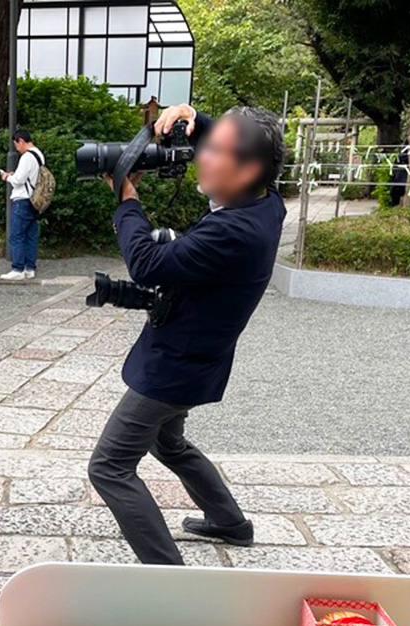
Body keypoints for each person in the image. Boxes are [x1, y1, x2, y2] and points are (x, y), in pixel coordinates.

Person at [89, 103, 286, 565]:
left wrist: (127, 198)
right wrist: (193, 119)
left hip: (174, 367)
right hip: (203, 357)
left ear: (248, 169)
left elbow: (148, 264)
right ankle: (230, 523)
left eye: (213, 151)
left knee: (110, 466)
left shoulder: (233, 233)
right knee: (167, 441)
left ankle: (169, 576)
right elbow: (245, 146)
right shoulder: (266, 201)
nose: (200, 155)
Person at [0, 128, 44, 281]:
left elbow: (18, 180)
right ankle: (30, 268)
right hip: (34, 200)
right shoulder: (39, 155)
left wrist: (7, 177)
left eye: (16, 145)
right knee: (31, 235)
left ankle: (18, 269)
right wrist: (16, 175)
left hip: (23, 200)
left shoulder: (26, 157)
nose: (16, 148)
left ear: (21, 141)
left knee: (17, 235)